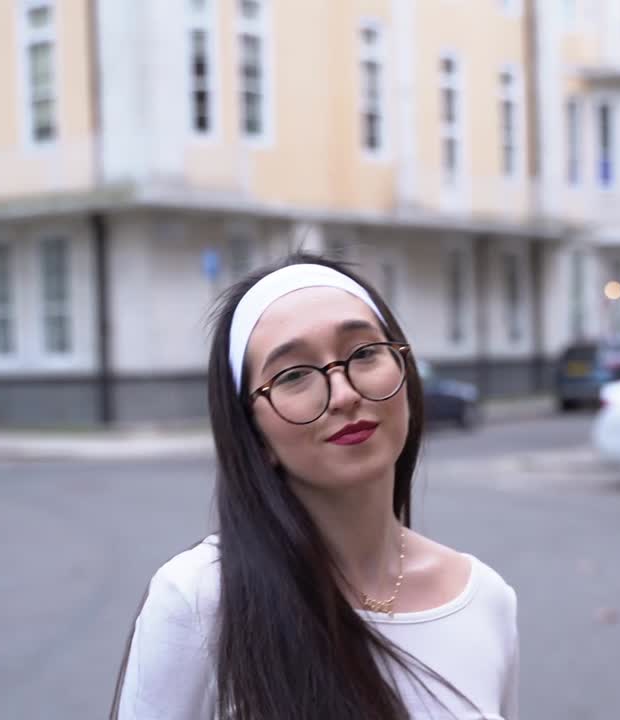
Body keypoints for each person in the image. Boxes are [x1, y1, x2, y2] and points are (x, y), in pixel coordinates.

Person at [111, 253, 519, 719]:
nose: (344, 394)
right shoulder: (202, 598)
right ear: (253, 433)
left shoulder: (486, 600)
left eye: (364, 353)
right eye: (294, 375)